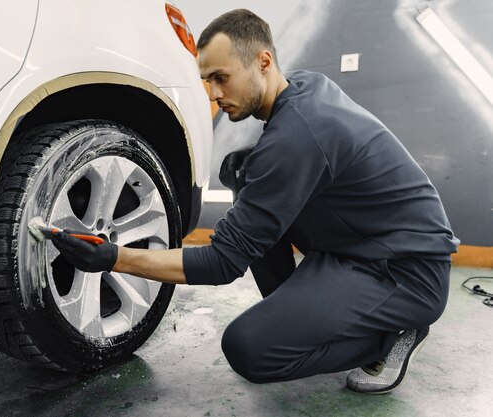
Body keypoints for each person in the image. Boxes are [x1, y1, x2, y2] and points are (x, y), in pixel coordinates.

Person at [51, 9, 459, 394]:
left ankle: (392, 336)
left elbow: (221, 263)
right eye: (206, 81)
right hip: (358, 248)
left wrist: (113, 258)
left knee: (251, 349)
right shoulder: (302, 90)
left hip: (406, 272)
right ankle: (313, 311)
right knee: (240, 170)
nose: (213, 93)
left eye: (221, 77)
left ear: (263, 61)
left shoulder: (297, 134)